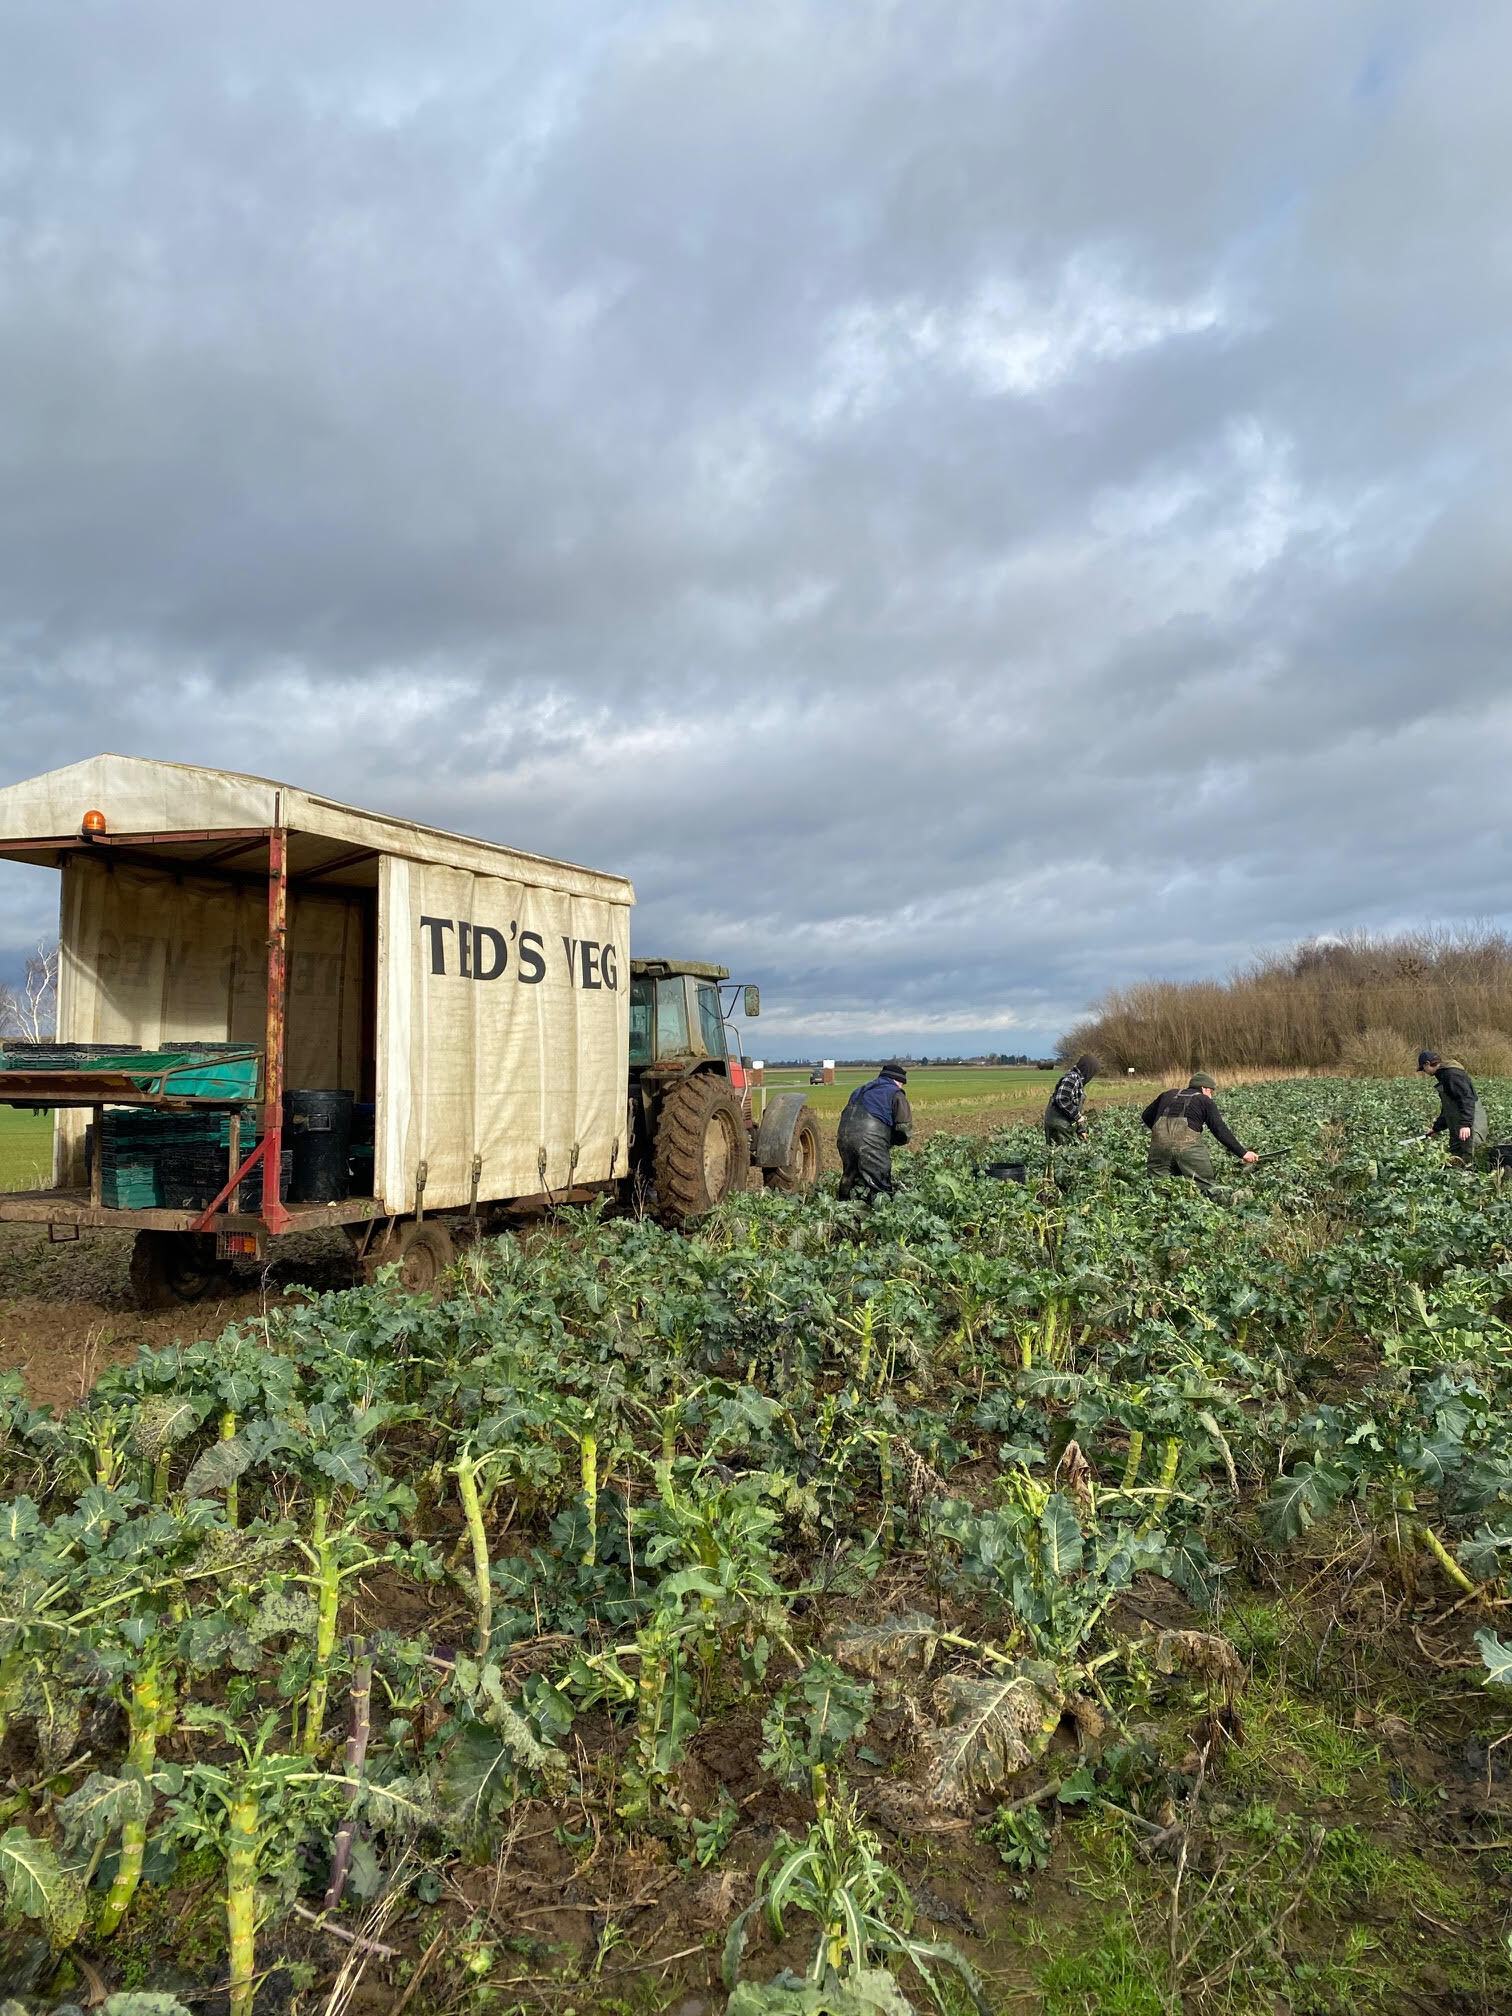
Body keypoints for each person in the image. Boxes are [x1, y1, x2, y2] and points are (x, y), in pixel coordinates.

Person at [1141, 1070, 1258, 1190]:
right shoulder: (1204, 1100)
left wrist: (1162, 1134)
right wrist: (1243, 1153)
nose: (1211, 1096)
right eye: (1211, 1092)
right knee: (1205, 1186)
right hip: (1188, 1148)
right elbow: (1219, 1129)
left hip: (1159, 1148)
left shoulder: (1167, 1094)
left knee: (1159, 1187)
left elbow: (1146, 1116)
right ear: (1205, 1088)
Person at [837, 1061, 912, 1200]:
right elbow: (903, 1127)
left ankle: (844, 1210)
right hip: (869, 1138)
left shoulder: (860, 1090)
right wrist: (896, 1141)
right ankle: (880, 1214)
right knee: (879, 1181)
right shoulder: (895, 1093)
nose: (901, 1086)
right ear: (896, 1081)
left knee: (850, 1176)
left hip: (844, 1135)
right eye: (902, 1083)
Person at [1418, 1050, 1486, 1163]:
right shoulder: (1444, 1075)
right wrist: (1436, 1129)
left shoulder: (1452, 1075)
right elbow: (1448, 1109)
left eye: (1423, 1068)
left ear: (1427, 1063)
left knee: (1470, 1156)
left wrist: (1465, 1124)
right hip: (1459, 1122)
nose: (1424, 1072)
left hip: (1471, 1122)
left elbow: (1466, 1098)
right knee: (1456, 1155)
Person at [1045, 1054, 1100, 1145]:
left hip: (1063, 1124)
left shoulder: (1078, 1080)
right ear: (1088, 1070)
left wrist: (1080, 1130)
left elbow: (1074, 1108)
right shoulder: (1072, 1078)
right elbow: (1061, 1099)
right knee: (1059, 1155)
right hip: (1058, 1124)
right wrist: (1078, 1117)